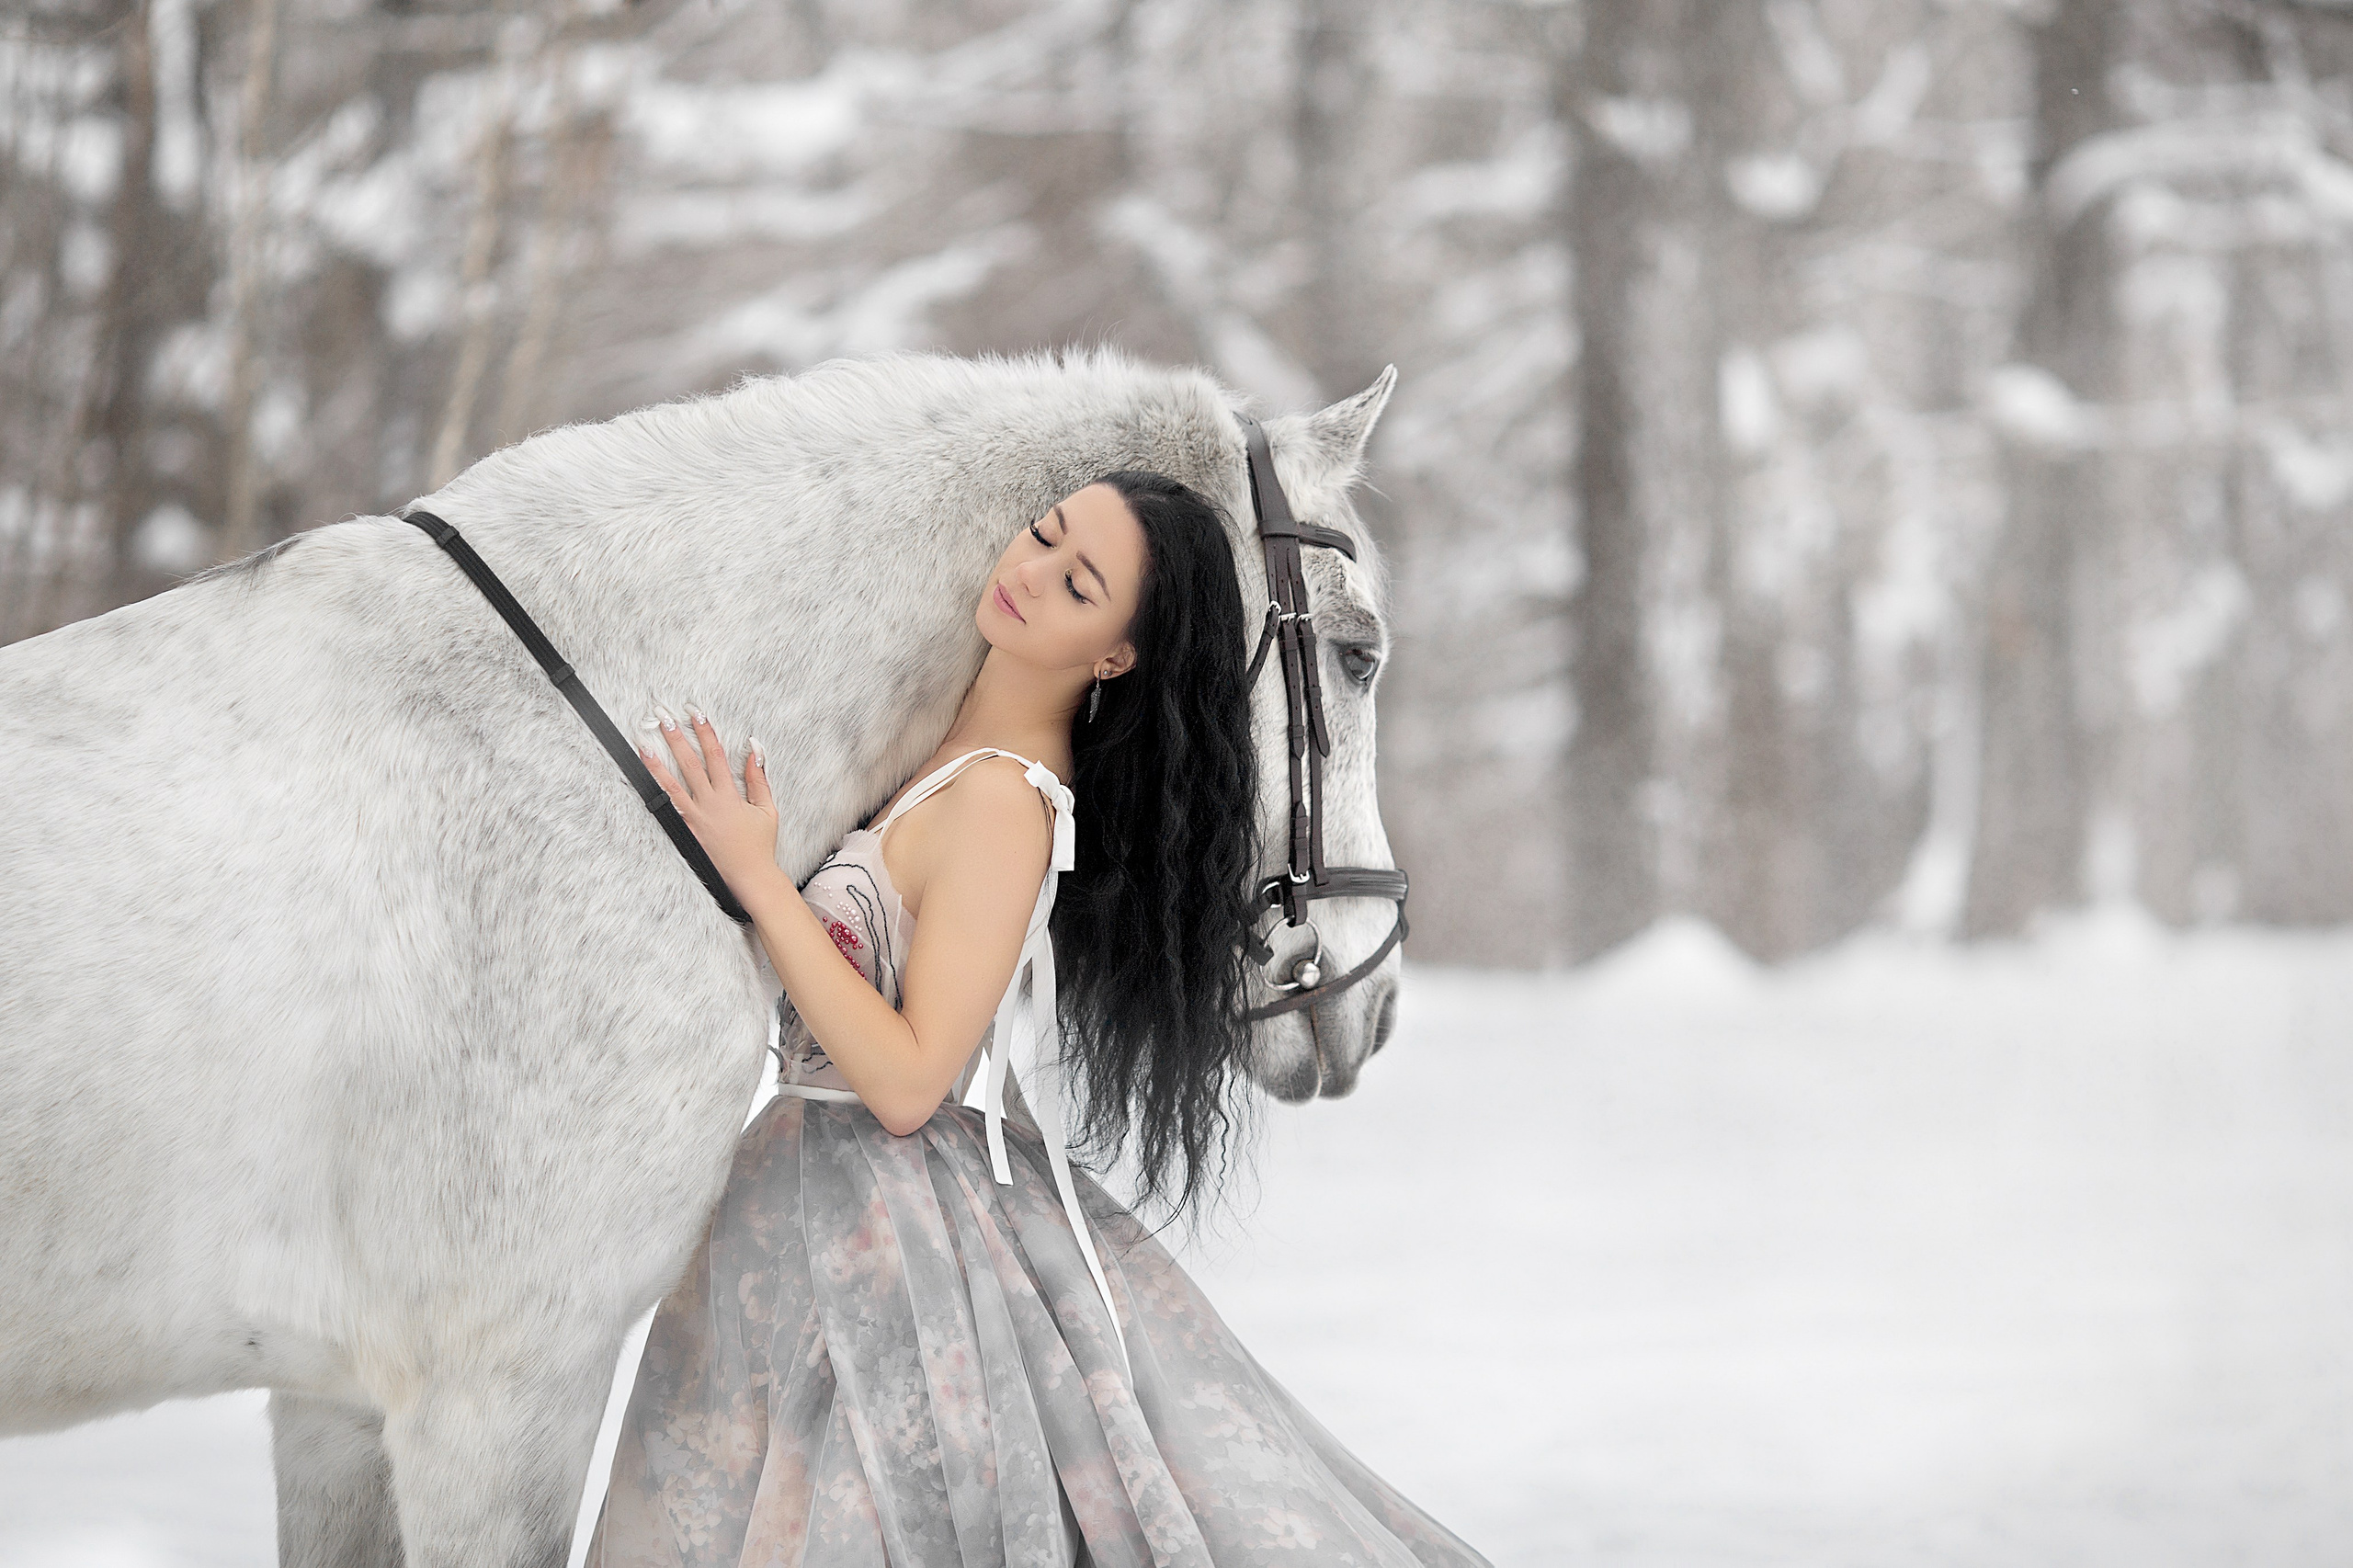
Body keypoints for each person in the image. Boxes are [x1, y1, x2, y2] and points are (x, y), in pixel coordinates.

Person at [586, 471, 1488, 1567]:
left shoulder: (1005, 802)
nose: (1029, 575)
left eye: (1079, 583)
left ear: (1114, 652)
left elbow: (913, 1082)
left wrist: (762, 881)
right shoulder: (952, 754)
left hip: (870, 1208)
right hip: (802, 1197)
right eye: (1043, 535)